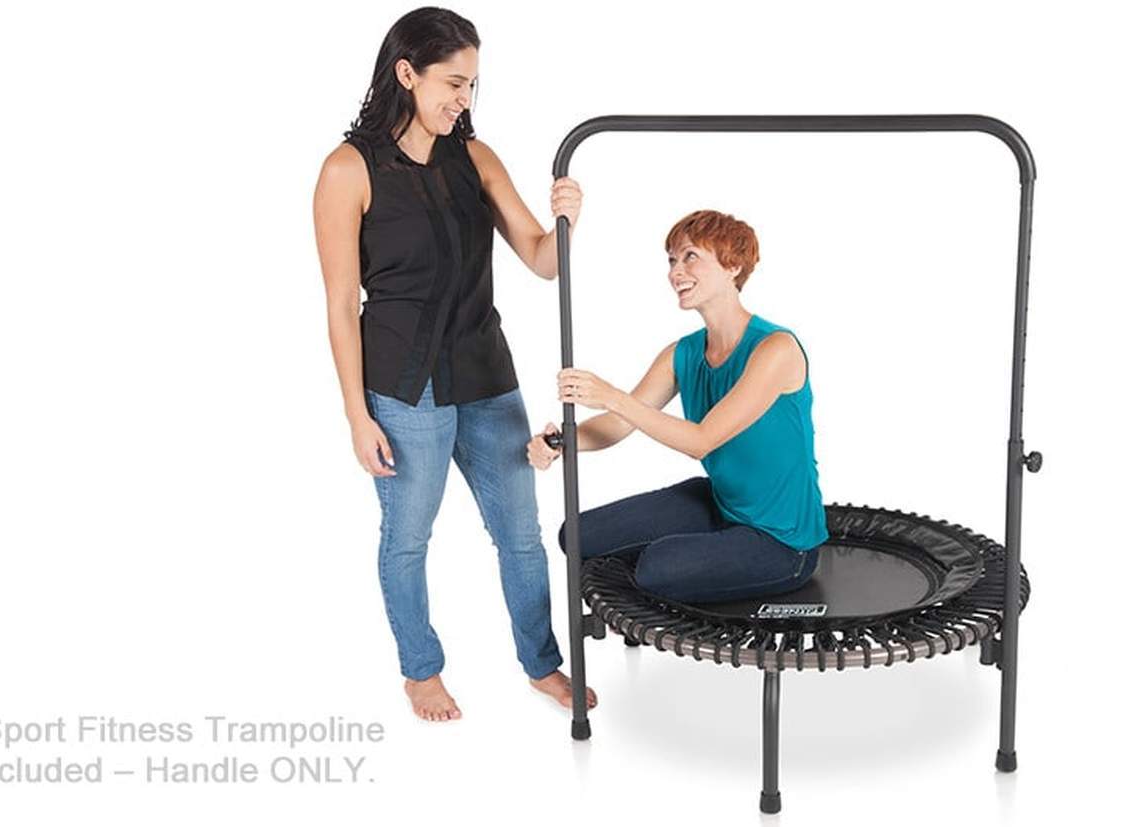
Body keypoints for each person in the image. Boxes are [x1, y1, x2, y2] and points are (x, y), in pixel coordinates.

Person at [313, 7, 596, 722]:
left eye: (472, 84)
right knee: (408, 539)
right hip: (404, 389)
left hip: (485, 375)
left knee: (521, 536)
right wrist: (356, 415)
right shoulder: (347, 170)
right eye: (452, 83)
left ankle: (542, 663)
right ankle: (421, 671)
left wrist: (566, 221)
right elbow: (341, 302)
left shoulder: (476, 157)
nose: (463, 99)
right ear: (407, 74)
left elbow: (542, 260)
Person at [527, 210, 828, 603]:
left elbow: (701, 440)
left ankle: (683, 567)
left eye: (690, 257)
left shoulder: (776, 349)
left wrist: (612, 395)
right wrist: (562, 443)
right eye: (671, 260)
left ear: (733, 267)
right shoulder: (682, 353)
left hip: (782, 541)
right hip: (720, 504)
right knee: (577, 535)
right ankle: (695, 556)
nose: (675, 272)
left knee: (656, 569)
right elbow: (618, 425)